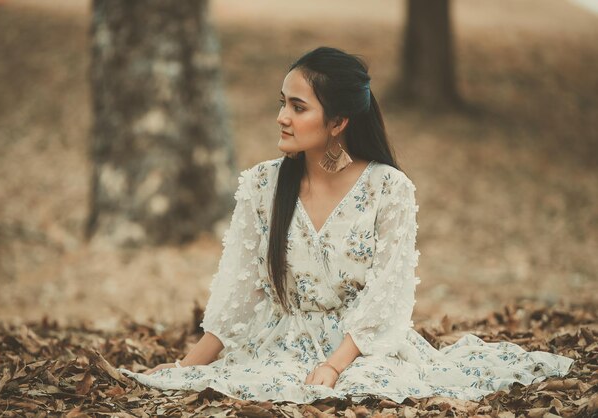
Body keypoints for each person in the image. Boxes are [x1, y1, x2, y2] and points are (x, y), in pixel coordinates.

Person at [119, 46, 574, 403]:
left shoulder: (388, 189)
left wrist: (335, 366)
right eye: (283, 103)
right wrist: (187, 367)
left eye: (299, 107)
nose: (282, 117)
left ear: (337, 121)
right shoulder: (262, 184)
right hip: (281, 343)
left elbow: (388, 293)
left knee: (368, 388)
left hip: (361, 348)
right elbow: (243, 291)